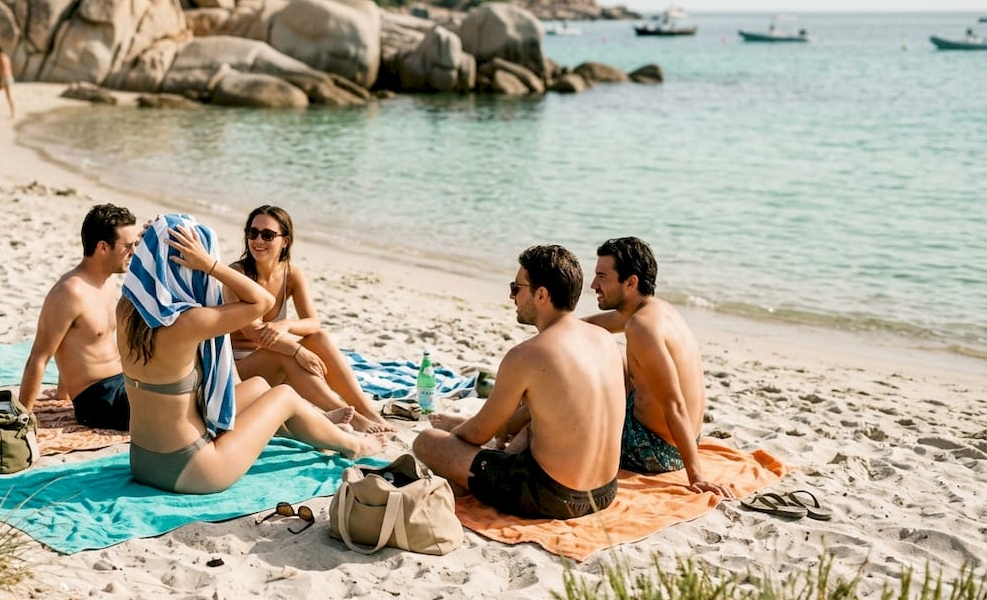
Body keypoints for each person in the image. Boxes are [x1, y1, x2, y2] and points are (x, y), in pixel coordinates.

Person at [118, 215, 378, 494]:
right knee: (285, 396)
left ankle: (315, 425)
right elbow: (261, 302)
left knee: (259, 388)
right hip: (191, 469)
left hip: (143, 463)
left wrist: (155, 238)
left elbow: (142, 274)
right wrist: (210, 265)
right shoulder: (188, 322)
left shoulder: (125, 309)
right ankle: (355, 445)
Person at [412, 245, 624, 520]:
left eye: (516, 288)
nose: (512, 296)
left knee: (428, 441)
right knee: (538, 418)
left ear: (541, 294)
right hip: (605, 492)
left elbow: (477, 434)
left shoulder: (527, 354)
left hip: (554, 497)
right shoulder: (605, 339)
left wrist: (453, 445)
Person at [583, 237, 733, 498]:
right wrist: (557, 331)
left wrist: (696, 475)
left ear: (631, 283)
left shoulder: (641, 328)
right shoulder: (656, 309)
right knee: (602, 346)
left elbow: (674, 404)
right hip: (680, 439)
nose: (593, 285)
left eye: (602, 277)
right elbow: (597, 324)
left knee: (574, 393)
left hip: (654, 450)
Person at [222, 206, 391, 434]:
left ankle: (367, 412)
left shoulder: (291, 274)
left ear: (285, 241)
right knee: (286, 354)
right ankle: (350, 417)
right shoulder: (238, 275)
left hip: (274, 367)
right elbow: (255, 333)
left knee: (318, 338)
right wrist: (297, 351)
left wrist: (286, 324)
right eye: (253, 233)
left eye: (268, 235)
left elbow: (313, 322)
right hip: (241, 373)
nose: (258, 240)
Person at [20, 204, 140, 430]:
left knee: (179, 387)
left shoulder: (109, 282)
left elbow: (77, 341)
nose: (134, 251)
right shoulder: (69, 292)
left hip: (122, 384)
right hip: (98, 401)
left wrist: (60, 394)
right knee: (171, 406)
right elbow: (39, 357)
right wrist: (21, 419)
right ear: (103, 247)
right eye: (128, 246)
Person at [0, 46, 15, 118]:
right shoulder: (7, 57)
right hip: (9, 78)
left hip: (5, 78)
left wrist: (0, 79)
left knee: (8, 96)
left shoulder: (1, 58)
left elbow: (3, 69)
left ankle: (12, 113)